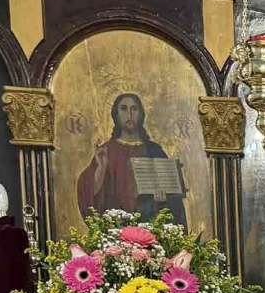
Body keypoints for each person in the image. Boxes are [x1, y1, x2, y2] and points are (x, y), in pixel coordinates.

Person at [77, 92, 187, 225]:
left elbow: (174, 198)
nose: (129, 114)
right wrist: (100, 169)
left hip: (149, 226)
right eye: (123, 109)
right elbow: (88, 193)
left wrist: (163, 201)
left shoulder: (154, 150)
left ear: (141, 114)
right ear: (116, 114)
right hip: (117, 228)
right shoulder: (106, 151)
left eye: (134, 109)